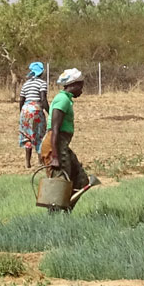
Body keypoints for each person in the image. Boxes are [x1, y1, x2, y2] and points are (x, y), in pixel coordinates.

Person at [44, 68, 96, 201]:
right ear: (74, 85)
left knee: (81, 179)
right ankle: (55, 215)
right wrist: (55, 157)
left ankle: (65, 211)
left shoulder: (66, 99)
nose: (81, 90)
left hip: (62, 145)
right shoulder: (62, 100)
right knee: (59, 184)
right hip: (55, 144)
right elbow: (54, 129)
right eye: (80, 86)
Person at [17, 62, 49, 168]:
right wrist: (49, 112)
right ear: (41, 72)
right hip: (36, 109)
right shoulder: (42, 83)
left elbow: (21, 100)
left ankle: (27, 163)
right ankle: (40, 162)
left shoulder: (26, 84)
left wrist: (22, 112)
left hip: (25, 110)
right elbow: (43, 99)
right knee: (40, 135)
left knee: (27, 136)